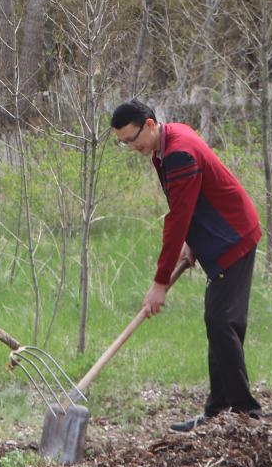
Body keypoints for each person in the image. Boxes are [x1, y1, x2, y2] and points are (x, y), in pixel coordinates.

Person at [109, 99, 263, 432]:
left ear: (150, 124)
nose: (131, 147)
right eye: (124, 142)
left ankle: (244, 412)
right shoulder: (166, 144)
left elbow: (177, 218)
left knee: (221, 321)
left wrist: (160, 283)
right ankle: (219, 410)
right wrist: (193, 243)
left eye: (133, 138)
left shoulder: (179, 153)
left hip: (232, 238)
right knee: (220, 323)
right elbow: (192, 199)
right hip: (224, 234)